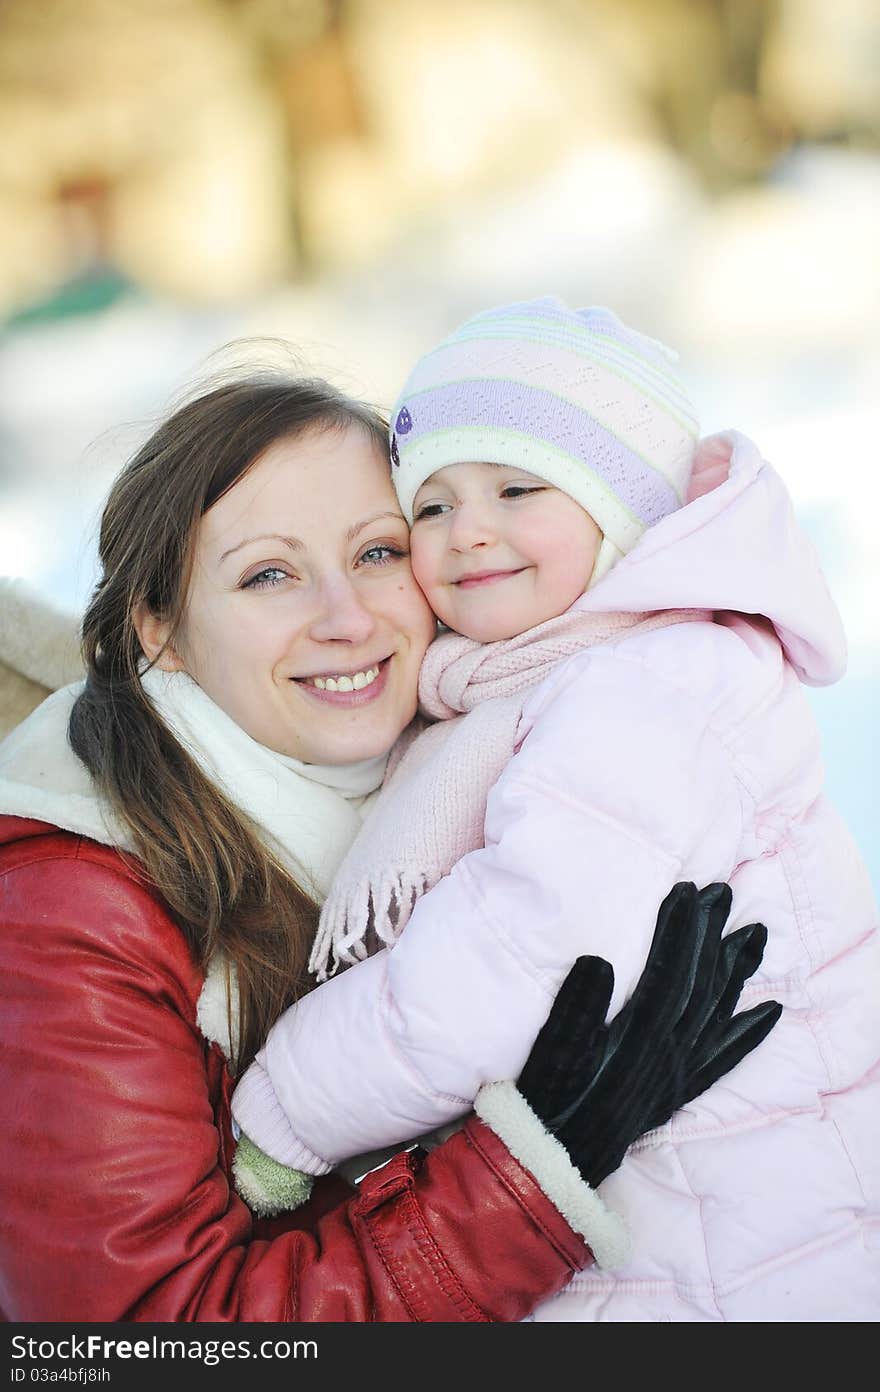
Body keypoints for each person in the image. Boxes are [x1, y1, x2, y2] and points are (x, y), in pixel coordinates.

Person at [0, 376, 779, 1323]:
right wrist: (527, 1183)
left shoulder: (479, 776)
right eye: (268, 575)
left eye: (377, 552)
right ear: (158, 629)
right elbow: (143, 1337)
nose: (348, 618)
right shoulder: (69, 910)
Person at [232, 300, 880, 1321]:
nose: (466, 531)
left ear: (622, 511)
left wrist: (287, 1111)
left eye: (516, 487)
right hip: (672, 1224)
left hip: (745, 1251)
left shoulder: (649, 686)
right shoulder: (534, 685)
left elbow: (521, 958)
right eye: (431, 506)